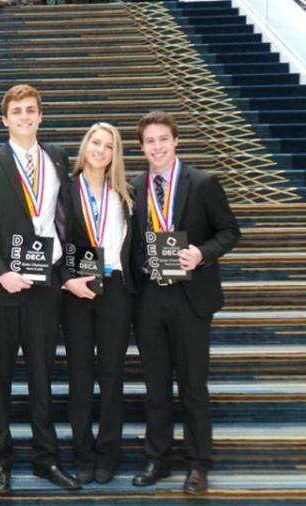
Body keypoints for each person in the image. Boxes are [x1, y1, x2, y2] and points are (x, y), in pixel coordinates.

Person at [0, 84, 81, 494]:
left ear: (40, 115)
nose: (24, 117)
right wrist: (0, 272)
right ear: (5, 119)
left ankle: (45, 460)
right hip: (3, 290)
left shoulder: (57, 157)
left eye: (31, 110)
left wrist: (66, 271)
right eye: (16, 112)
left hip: (45, 285)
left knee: (42, 377)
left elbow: (64, 219)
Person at [129, 110, 240, 495]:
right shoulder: (135, 184)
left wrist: (202, 254)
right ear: (141, 147)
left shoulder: (204, 183)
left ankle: (198, 464)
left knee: (193, 386)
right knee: (155, 385)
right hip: (150, 300)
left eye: (163, 139)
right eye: (150, 141)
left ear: (176, 141)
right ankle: (157, 459)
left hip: (191, 298)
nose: (156, 146)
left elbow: (230, 231)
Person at [61, 122, 135, 485]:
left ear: (114, 154)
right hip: (77, 288)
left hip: (116, 289)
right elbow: (54, 237)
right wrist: (66, 281)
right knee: (79, 375)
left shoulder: (125, 193)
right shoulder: (64, 190)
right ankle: (82, 453)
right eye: (95, 141)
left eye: (109, 145)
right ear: (85, 144)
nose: (101, 149)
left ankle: (108, 453)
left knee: (111, 374)